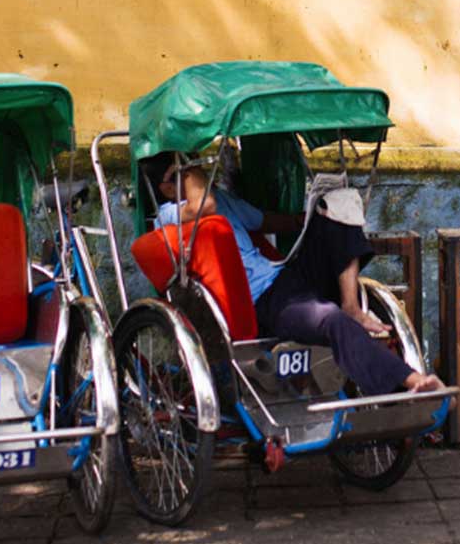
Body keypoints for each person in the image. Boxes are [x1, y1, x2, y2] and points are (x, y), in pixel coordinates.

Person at [155, 163, 442, 396]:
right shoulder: (168, 215)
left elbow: (264, 221)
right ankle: (412, 380)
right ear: (164, 186)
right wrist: (191, 177)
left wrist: (308, 219)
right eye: (179, 172)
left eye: (189, 169)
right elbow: (204, 206)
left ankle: (351, 304)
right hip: (263, 300)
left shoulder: (224, 201)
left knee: (340, 205)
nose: (190, 174)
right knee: (332, 321)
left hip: (285, 276)